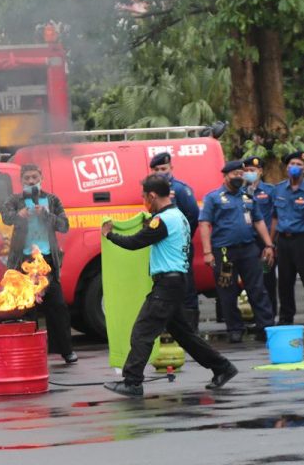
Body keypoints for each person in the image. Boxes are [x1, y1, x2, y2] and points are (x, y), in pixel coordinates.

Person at [101, 175, 237, 397]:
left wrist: (109, 235)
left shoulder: (163, 220)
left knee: (142, 331)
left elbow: (135, 242)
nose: (144, 201)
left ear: (152, 196)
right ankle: (223, 368)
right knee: (185, 335)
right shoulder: (177, 216)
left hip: (167, 283)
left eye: (145, 197)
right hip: (176, 281)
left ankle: (132, 382)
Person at [0, 164, 77, 364]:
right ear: (21, 180)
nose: (32, 181)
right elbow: (6, 218)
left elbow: (64, 225)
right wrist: (20, 216)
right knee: (27, 307)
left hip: (47, 260)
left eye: (35, 177)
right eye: (27, 178)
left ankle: (65, 350)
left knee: (58, 306)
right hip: (23, 260)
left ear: (41, 177)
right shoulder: (14, 200)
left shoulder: (52, 200)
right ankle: (29, 353)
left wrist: (46, 214)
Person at [199, 160, 276, 343]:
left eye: (241, 174)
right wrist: (207, 252)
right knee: (227, 291)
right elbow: (204, 224)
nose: (239, 177)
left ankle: (265, 326)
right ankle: (235, 328)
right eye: (235, 174)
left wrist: (268, 244)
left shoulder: (247, 198)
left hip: (249, 250)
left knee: (257, 289)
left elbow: (258, 221)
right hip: (224, 252)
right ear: (225, 176)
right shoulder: (213, 197)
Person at [270, 151, 304, 336]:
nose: (295, 167)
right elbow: (275, 218)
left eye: (299, 164)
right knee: (284, 281)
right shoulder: (278, 190)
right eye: (292, 163)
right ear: (287, 168)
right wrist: (270, 244)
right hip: (283, 241)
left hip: (303, 241)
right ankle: (286, 318)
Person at [149, 152, 201, 330]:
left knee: (186, 285)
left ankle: (191, 327)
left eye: (163, 168)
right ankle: (172, 327)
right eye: (156, 169)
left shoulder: (180, 189)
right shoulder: (153, 191)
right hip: (164, 248)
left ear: (171, 168)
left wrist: (182, 237)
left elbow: (193, 215)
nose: (160, 172)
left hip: (180, 248)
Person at [242, 155, 278, 321]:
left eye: (253, 170)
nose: (249, 173)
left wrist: (269, 244)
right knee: (251, 281)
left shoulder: (270, 191)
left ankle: (270, 316)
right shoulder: (239, 192)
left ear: (260, 172)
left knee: (267, 279)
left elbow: (275, 217)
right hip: (247, 243)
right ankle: (256, 317)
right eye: (246, 170)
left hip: (265, 242)